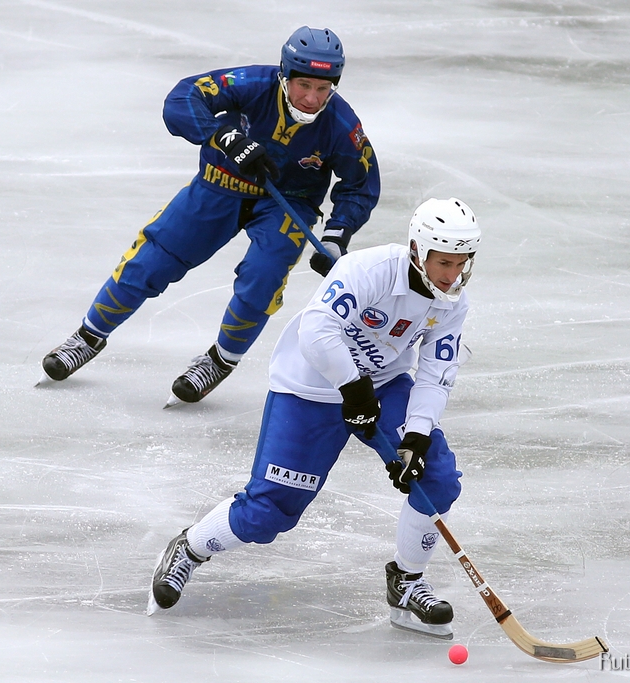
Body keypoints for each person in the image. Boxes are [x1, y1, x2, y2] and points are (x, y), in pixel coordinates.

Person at [147, 198, 480, 639]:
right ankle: (188, 548)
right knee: (268, 513)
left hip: (383, 384)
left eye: (461, 263)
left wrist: (417, 435)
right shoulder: (369, 270)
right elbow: (316, 330)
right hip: (309, 385)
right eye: (444, 262)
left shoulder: (452, 303)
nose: (452, 274)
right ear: (418, 251)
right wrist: (351, 387)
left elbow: (436, 373)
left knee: (435, 477)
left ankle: (407, 580)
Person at [40, 26, 379, 404]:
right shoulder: (250, 84)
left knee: (263, 278)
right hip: (219, 185)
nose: (312, 98)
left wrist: (336, 234)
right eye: (303, 85)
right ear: (284, 75)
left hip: (287, 205)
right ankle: (88, 336)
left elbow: (360, 184)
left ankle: (220, 360)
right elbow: (183, 97)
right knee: (153, 258)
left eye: (323, 88)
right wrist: (225, 137)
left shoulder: (344, 125)